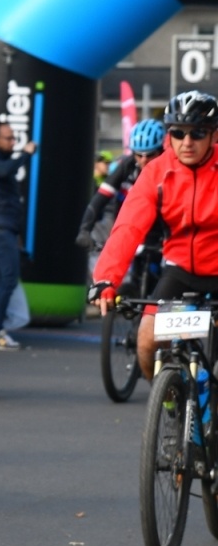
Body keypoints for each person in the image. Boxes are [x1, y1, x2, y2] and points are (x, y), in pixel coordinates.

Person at [93, 93, 218, 380]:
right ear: (169, 136)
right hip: (180, 271)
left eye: (197, 133)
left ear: (213, 136)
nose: (187, 142)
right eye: (178, 132)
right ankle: (170, 405)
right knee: (146, 342)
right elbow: (128, 227)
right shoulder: (157, 172)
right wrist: (106, 279)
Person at [0, 121, 36, 350]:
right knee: (8, 277)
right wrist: (27, 155)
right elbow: (4, 170)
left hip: (4, 226)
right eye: (9, 138)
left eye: (14, 138)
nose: (13, 142)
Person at [78, 119, 165, 254]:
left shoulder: (170, 168)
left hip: (161, 231)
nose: (143, 160)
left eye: (150, 155)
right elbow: (100, 198)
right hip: (130, 228)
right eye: (138, 154)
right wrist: (84, 229)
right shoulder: (127, 165)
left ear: (161, 151)